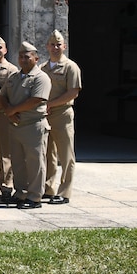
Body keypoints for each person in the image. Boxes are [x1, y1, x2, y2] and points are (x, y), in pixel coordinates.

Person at [0, 41, 51, 209]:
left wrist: (12, 110)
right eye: (21, 57)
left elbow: (36, 100)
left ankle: (35, 197)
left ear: (36, 58)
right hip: (15, 125)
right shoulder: (13, 77)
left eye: (27, 57)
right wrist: (9, 111)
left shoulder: (41, 77)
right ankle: (20, 193)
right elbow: (2, 96)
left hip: (33, 125)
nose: (23, 59)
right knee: (18, 161)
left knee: (35, 162)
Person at [42, 30, 82, 204]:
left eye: (58, 45)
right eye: (52, 45)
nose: (55, 48)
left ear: (64, 46)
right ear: (47, 47)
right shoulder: (43, 68)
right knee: (47, 153)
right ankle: (48, 188)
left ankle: (64, 192)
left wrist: (51, 104)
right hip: (44, 115)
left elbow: (73, 92)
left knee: (65, 155)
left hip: (62, 114)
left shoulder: (70, 67)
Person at [0, 35, 20, 200]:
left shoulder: (11, 70)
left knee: (5, 152)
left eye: (0, 48)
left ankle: (7, 186)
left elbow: (10, 95)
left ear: (6, 50)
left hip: (2, 116)